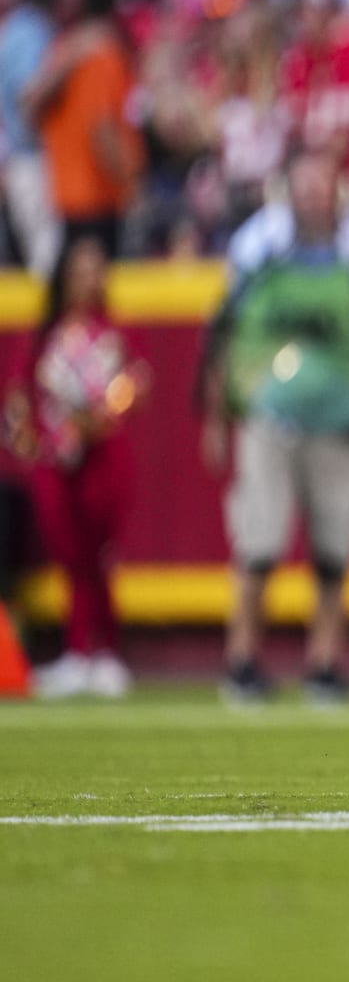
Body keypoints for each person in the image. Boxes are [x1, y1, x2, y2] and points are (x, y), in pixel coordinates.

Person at [200, 150, 349, 705]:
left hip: (341, 418)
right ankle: (242, 659)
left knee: (334, 550)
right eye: (304, 185)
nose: (313, 196)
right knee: (258, 543)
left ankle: (325, 663)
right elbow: (221, 330)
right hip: (269, 416)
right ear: (286, 191)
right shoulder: (261, 247)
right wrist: (216, 414)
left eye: (322, 185)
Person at [4, 235, 146, 699]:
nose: (90, 279)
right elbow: (21, 396)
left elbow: (130, 391)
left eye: (96, 269)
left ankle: (101, 652)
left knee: (98, 555)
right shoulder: (46, 336)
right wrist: (30, 437)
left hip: (103, 460)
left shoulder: (113, 332)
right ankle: (78, 651)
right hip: (56, 461)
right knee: (70, 555)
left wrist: (98, 420)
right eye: (81, 270)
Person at [23, 0, 142, 259]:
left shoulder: (61, 50)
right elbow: (102, 128)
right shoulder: (103, 56)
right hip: (99, 193)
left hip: (66, 191)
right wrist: (131, 186)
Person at [0, 0, 60, 276]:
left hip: (29, 158)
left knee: (44, 257)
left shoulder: (19, 30)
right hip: (31, 160)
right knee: (46, 261)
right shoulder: (25, 31)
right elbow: (28, 100)